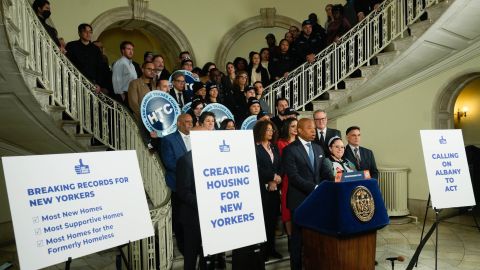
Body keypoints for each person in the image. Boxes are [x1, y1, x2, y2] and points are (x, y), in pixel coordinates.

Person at [282, 118, 329, 270]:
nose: (313, 130)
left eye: (314, 128)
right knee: (298, 240)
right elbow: (294, 177)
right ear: (299, 130)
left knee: (316, 238)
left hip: (317, 201)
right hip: (299, 201)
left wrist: (336, 180)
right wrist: (315, 188)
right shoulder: (290, 150)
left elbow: (324, 172)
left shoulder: (318, 149)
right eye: (310, 128)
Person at [161, 113, 193, 257]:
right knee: (180, 218)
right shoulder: (168, 139)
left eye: (191, 122)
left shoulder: (197, 138)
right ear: (179, 123)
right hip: (178, 185)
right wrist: (189, 172)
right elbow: (169, 163)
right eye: (187, 122)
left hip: (194, 186)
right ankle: (182, 246)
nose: (190, 124)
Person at [253, 120, 283, 261]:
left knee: (272, 221)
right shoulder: (254, 148)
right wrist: (271, 177)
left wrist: (277, 178)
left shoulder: (274, 147)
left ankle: (272, 249)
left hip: (274, 190)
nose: (271, 132)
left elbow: (280, 165)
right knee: (263, 222)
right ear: (260, 131)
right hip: (261, 190)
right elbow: (256, 168)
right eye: (268, 130)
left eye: (272, 130)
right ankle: (263, 252)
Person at [66, 23, 106, 94]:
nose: (88, 34)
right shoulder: (71, 46)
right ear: (79, 33)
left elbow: (100, 67)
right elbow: (67, 63)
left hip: (91, 83)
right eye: (85, 31)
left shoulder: (96, 49)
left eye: (90, 32)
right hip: (74, 81)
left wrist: (99, 84)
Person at [276, 118, 298, 238]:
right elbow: (280, 164)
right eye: (292, 126)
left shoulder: (300, 142)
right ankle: (290, 238)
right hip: (286, 179)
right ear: (287, 128)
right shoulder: (281, 143)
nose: (295, 129)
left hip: (300, 178)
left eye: (297, 126)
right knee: (286, 209)